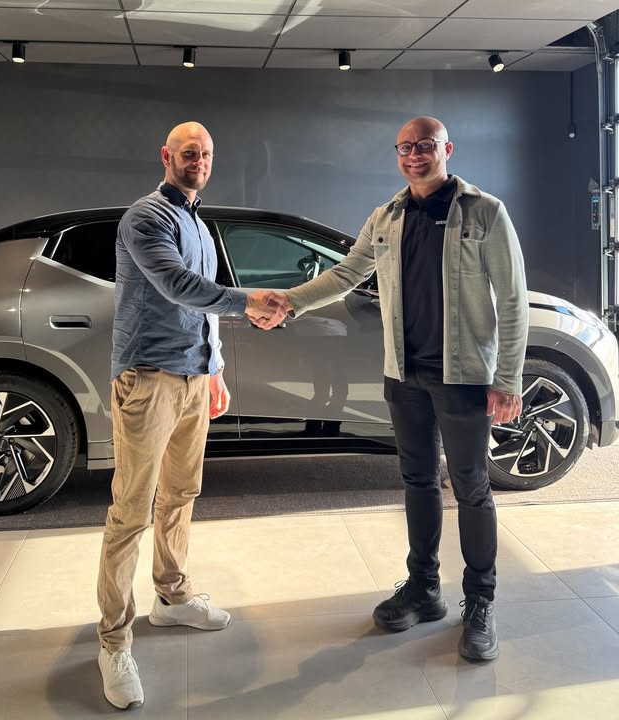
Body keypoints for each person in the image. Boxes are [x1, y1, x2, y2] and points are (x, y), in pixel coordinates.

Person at [262, 116, 528, 662]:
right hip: (404, 375)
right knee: (417, 481)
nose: (414, 156)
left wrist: (507, 379)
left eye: (424, 146)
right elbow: (346, 274)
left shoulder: (485, 212)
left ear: (447, 149)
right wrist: (291, 301)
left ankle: (480, 602)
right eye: (405, 148)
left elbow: (513, 298)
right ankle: (424, 588)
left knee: (472, 487)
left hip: (464, 377)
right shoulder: (386, 217)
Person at [96, 121, 284, 709]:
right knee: (131, 510)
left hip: (193, 379)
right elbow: (178, 286)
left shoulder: (198, 222)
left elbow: (201, 307)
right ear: (167, 156)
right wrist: (249, 301)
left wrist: (215, 368)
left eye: (205, 154)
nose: (198, 161)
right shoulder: (145, 217)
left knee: (181, 493)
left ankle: (172, 597)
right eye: (188, 153)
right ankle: (113, 642)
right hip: (148, 378)